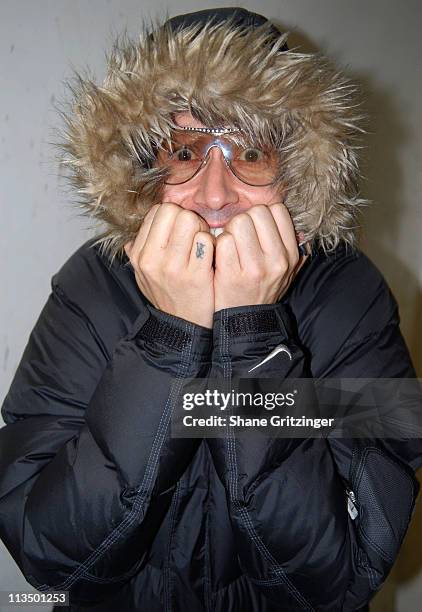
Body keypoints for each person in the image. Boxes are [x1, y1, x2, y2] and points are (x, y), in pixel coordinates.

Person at [0, 7, 421, 612]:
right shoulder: (91, 286)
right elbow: (50, 557)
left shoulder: (350, 296)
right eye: (185, 152)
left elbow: (338, 578)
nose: (215, 194)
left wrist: (252, 342)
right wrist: (171, 336)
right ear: (147, 167)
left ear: (296, 171)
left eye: (251, 154)